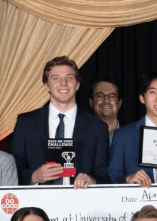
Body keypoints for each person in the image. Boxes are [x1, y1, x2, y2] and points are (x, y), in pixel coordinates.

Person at [12, 56, 110, 187]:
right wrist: (33, 176)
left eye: (69, 78)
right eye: (56, 78)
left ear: (77, 84)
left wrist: (92, 181)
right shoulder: (26, 123)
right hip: (37, 203)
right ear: (47, 85)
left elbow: (104, 176)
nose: (63, 83)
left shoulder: (98, 127)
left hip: (81, 202)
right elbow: (12, 171)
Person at [88, 76, 122, 144]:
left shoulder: (133, 137)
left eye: (112, 96)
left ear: (119, 103)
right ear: (91, 102)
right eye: (100, 95)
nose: (106, 100)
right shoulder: (78, 136)